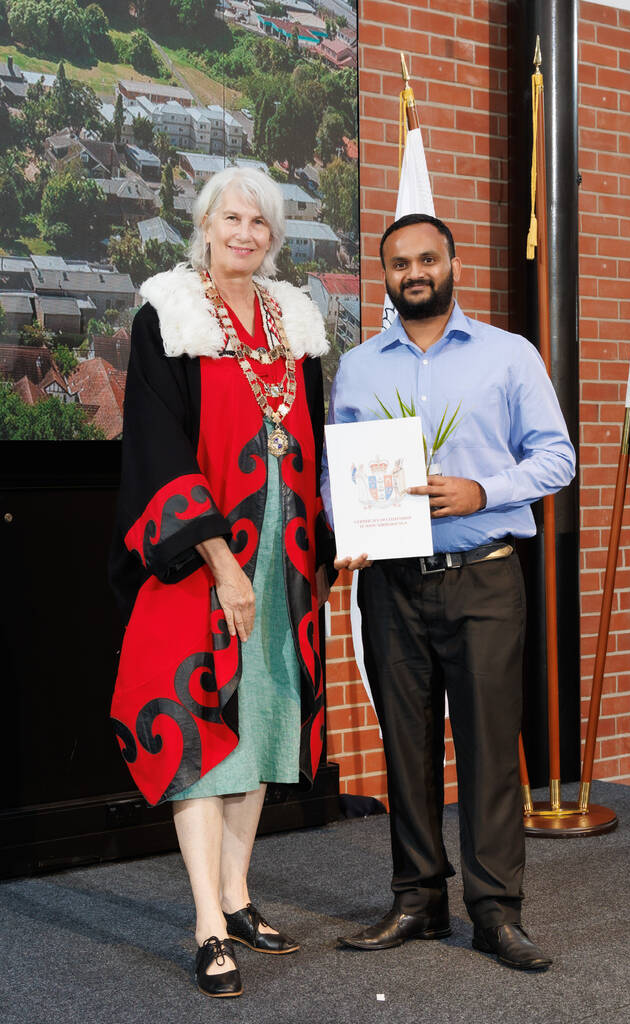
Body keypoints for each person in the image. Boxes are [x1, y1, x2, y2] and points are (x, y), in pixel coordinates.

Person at [322, 213, 575, 970]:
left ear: (452, 262)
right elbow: (339, 473)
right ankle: (417, 900)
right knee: (405, 747)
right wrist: (347, 527)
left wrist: (481, 491)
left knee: (490, 751)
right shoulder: (360, 366)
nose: (414, 272)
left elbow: (556, 458)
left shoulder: (508, 355)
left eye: (426, 258)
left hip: (485, 578)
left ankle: (495, 913)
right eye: (398, 263)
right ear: (386, 275)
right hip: (390, 585)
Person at [109, 166, 334, 997]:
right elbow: (157, 445)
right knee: (200, 734)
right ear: (204, 223)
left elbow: (310, 435)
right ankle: (207, 924)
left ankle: (239, 895)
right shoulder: (166, 315)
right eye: (231, 218)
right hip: (203, 557)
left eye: (260, 225)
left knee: (267, 720)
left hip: (286, 556)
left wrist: (337, 535)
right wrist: (221, 561)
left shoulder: (295, 321)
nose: (246, 234)